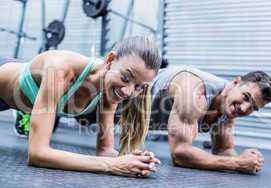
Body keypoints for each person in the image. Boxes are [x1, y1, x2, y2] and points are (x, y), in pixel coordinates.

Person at [0, 36, 162, 177]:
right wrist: (113, 165)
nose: (128, 91)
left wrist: (135, 160)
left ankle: (29, 110)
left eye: (138, 87)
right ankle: (28, 111)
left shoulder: (111, 90)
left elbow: (105, 151)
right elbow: (37, 154)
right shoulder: (60, 70)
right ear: (110, 60)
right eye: (126, 77)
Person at [150, 65, 271, 174]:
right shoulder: (194, 93)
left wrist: (248, 160)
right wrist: (237, 163)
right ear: (236, 82)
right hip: (131, 108)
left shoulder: (228, 105)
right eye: (246, 97)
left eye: (253, 107)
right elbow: (180, 154)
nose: (244, 108)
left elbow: (223, 150)